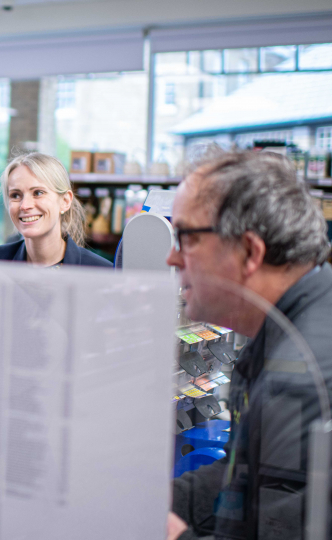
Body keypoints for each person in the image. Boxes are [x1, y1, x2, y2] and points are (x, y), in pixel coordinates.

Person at [165, 150, 332, 540]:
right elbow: (246, 477)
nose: (173, 257)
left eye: (186, 238)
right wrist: (147, 501)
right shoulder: (290, 328)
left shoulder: (301, 375)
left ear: (250, 252)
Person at [0, 152, 112, 267]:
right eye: (15, 195)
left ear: (65, 201)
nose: (25, 205)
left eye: (38, 193)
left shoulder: (101, 271)